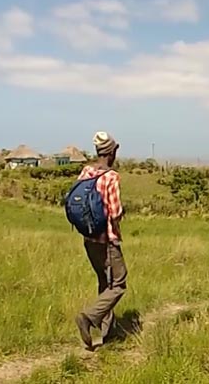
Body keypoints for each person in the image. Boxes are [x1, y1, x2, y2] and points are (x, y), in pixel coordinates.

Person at [72, 131, 128, 351]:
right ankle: (88, 317)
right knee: (119, 283)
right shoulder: (111, 177)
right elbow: (114, 213)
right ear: (111, 152)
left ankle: (107, 332)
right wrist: (122, 213)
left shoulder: (86, 171)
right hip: (107, 241)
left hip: (88, 238)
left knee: (105, 283)